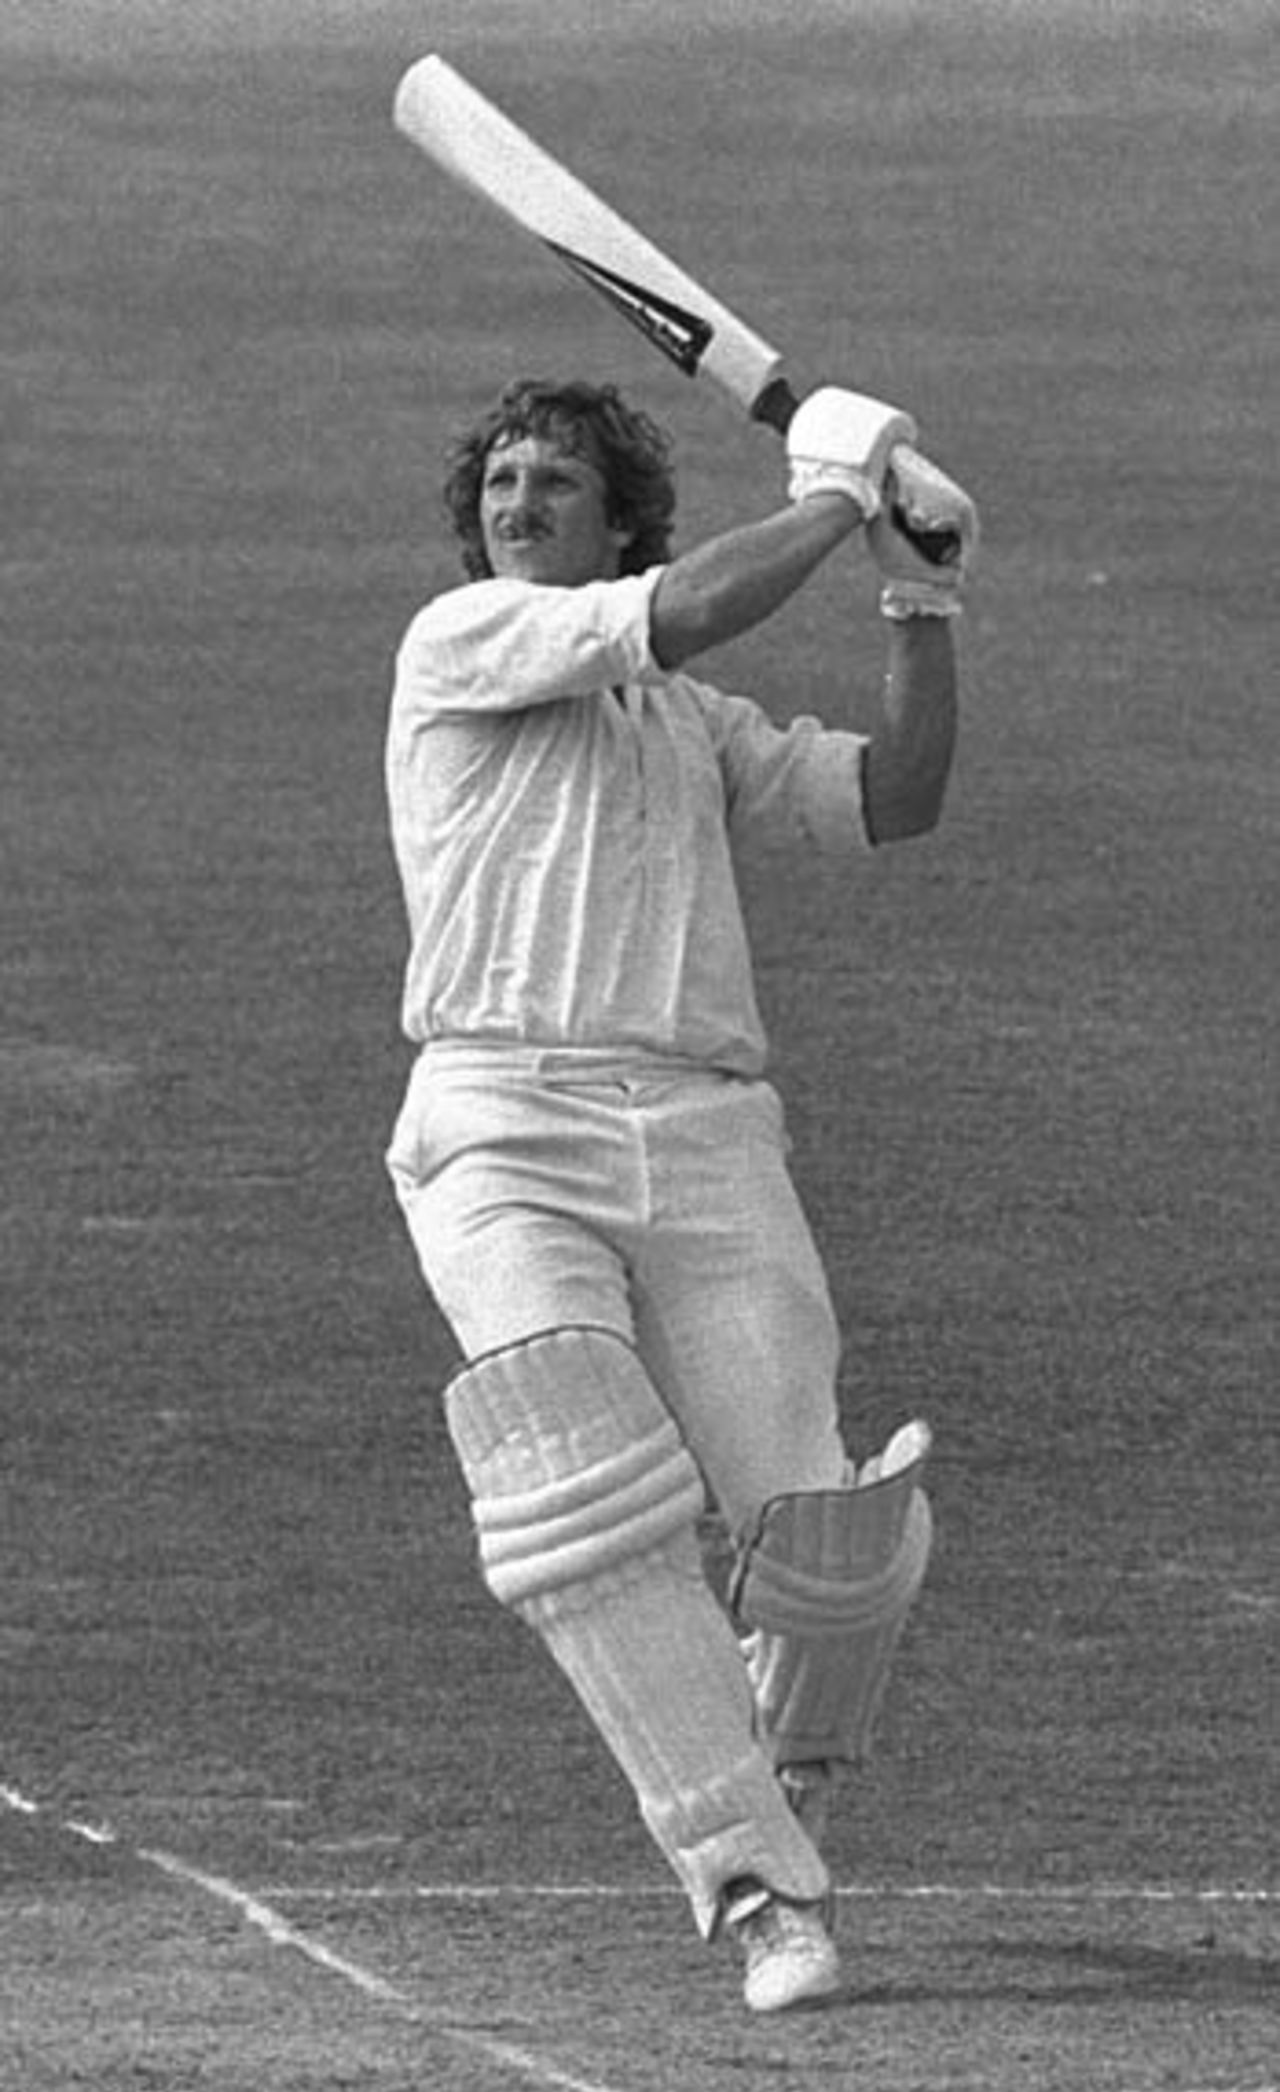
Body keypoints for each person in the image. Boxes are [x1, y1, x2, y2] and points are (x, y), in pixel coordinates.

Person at [384, 376, 975, 2012]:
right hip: (501, 1120)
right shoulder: (465, 641)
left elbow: (896, 798)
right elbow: (687, 606)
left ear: (620, 518)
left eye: (555, 485)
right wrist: (839, 497)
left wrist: (921, 598)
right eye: (501, 483)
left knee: (830, 1546)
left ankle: (774, 1773)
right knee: (570, 1464)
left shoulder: (691, 724)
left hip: (709, 1136)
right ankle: (756, 1886)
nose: (517, 507)